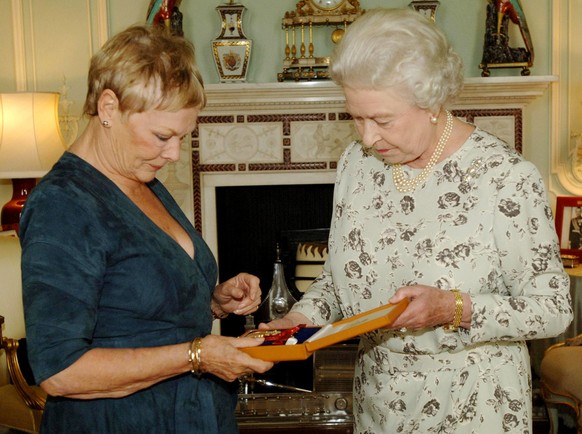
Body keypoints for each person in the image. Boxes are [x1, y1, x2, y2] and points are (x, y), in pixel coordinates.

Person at [262, 8, 572, 433]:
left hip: (474, 404)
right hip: (378, 401)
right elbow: (340, 276)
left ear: (431, 101)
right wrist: (300, 321)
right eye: (356, 117)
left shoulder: (504, 177)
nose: (367, 137)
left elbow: (553, 309)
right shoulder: (358, 162)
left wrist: (452, 307)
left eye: (382, 119)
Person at [19, 25, 273, 434]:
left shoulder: (142, 181)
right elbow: (60, 371)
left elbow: (131, 311)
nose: (172, 153)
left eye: (181, 138)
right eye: (161, 136)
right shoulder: (62, 205)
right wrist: (198, 356)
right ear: (107, 107)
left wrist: (212, 302)